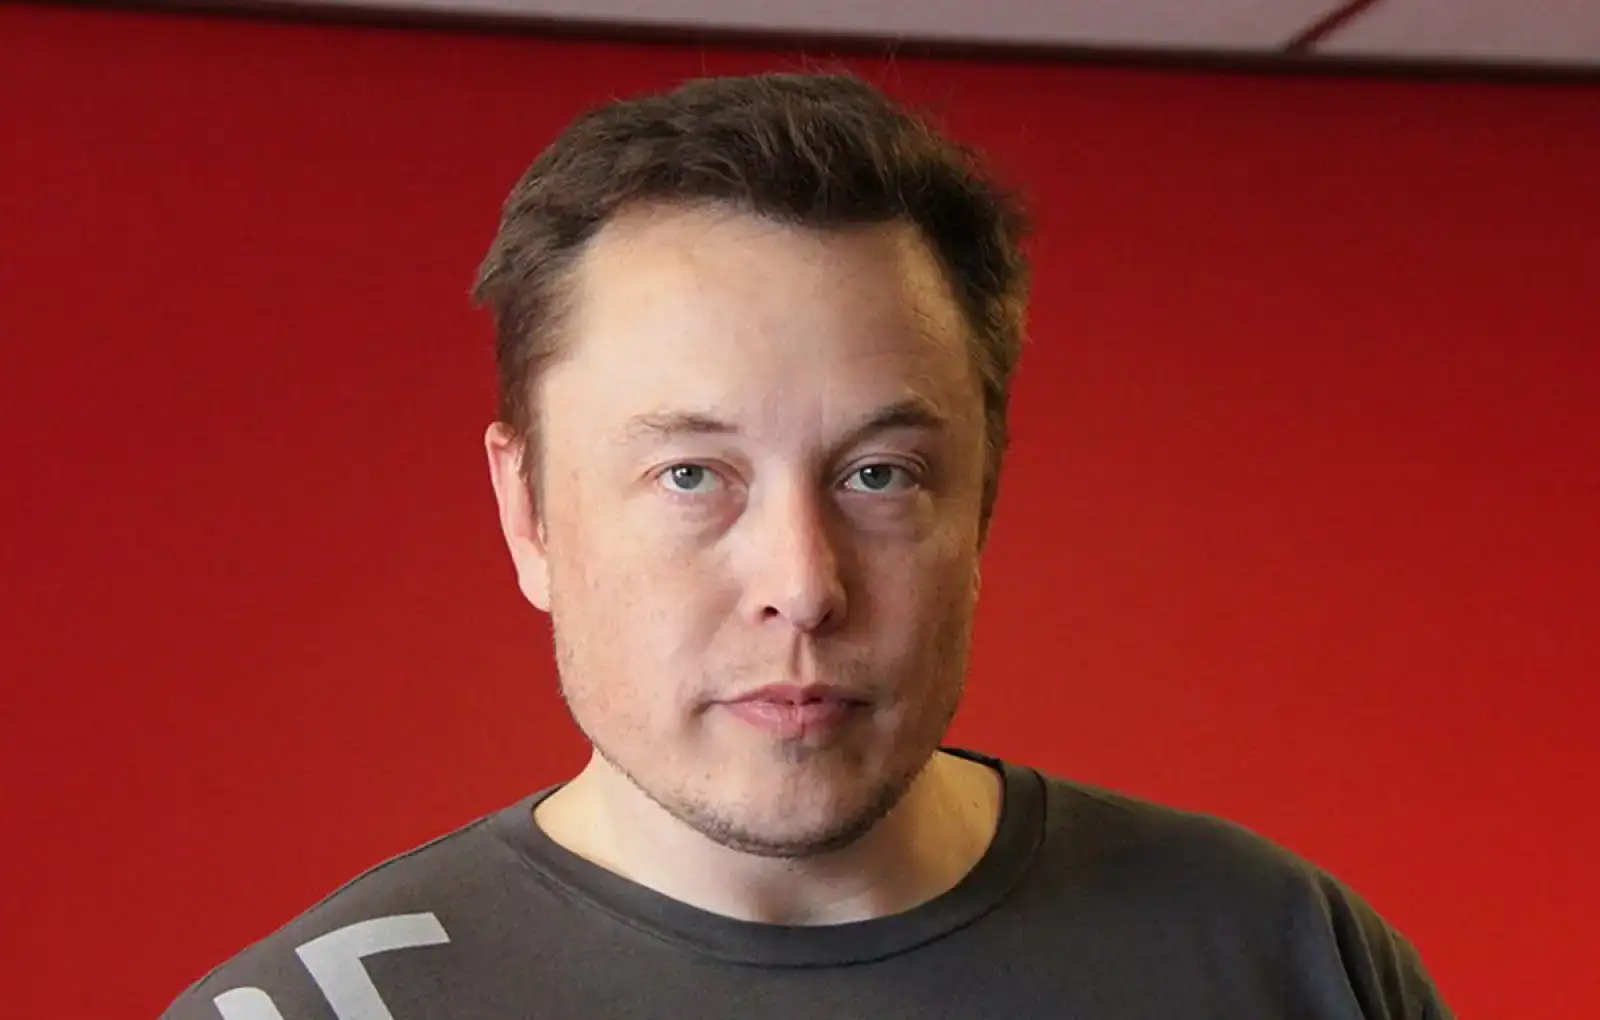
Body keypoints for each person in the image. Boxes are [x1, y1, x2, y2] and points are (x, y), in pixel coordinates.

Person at [162, 71, 1452, 1020]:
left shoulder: (1282, 959)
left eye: (878, 474)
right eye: (690, 475)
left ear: (983, 504)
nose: (803, 585)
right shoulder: (312, 1015)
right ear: (528, 513)